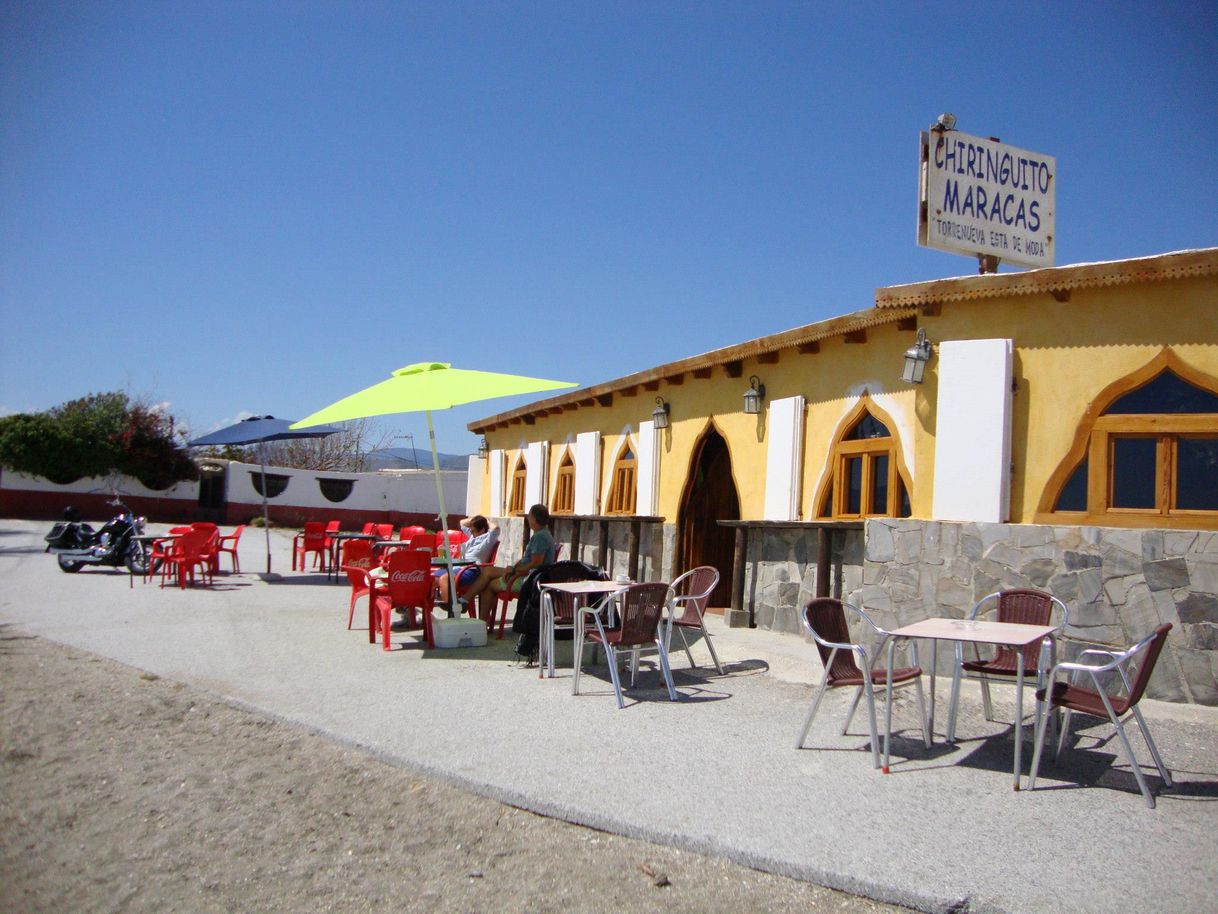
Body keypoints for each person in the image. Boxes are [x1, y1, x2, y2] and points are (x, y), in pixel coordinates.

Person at [461, 504, 555, 631]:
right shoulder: (542, 534)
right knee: (488, 572)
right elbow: (527, 559)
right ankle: (471, 608)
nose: (528, 518)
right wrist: (513, 567)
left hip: (528, 578)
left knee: (489, 585)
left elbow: (536, 563)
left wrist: (515, 571)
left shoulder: (540, 537)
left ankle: (480, 622)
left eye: (530, 516)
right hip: (524, 573)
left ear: (534, 519)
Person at [433, 515, 499, 607]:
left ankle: (452, 610)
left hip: (471, 569)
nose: (471, 533)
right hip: (459, 566)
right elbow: (462, 523)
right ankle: (426, 612)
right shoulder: (473, 537)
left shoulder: (488, 539)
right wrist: (478, 519)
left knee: (445, 578)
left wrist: (486, 521)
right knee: (432, 579)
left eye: (473, 531)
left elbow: (496, 528)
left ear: (482, 530)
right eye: (471, 531)